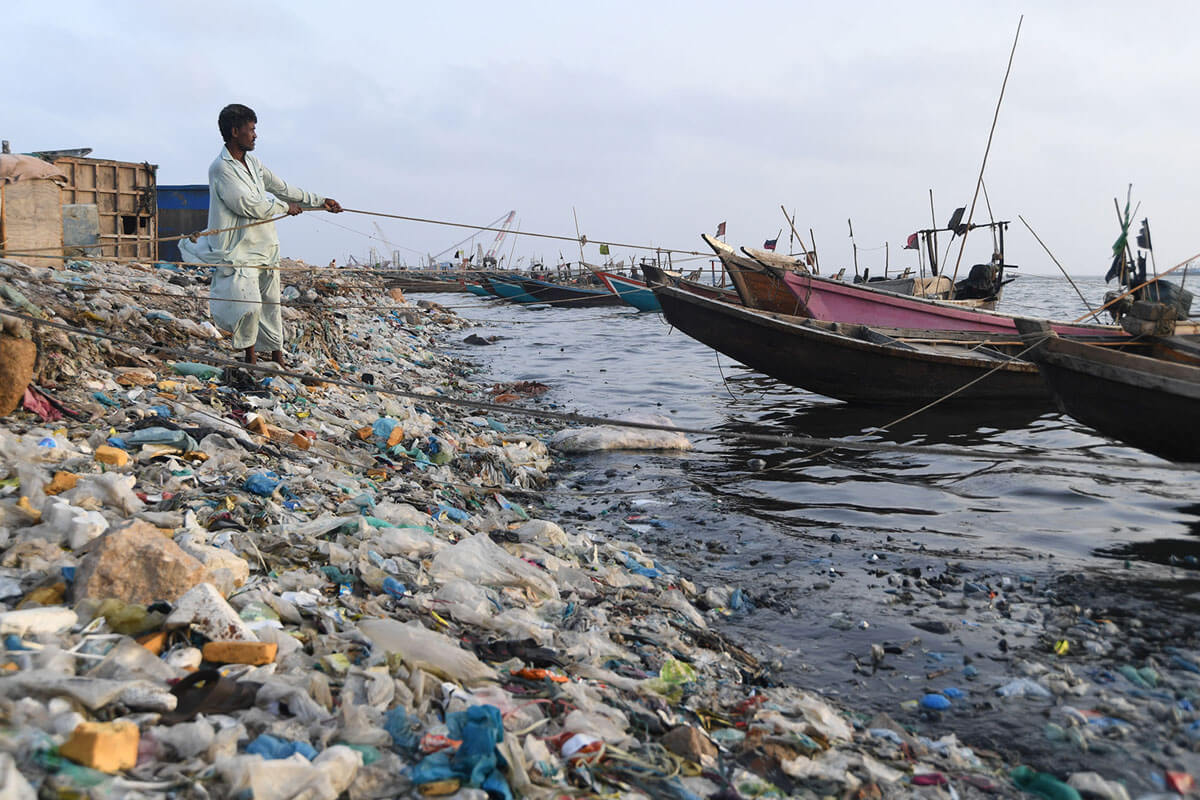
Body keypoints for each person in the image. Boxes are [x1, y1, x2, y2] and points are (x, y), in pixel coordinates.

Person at [180, 103, 342, 365]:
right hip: (240, 249)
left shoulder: (254, 163)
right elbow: (245, 204)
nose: (255, 135)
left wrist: (321, 201)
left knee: (270, 305)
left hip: (266, 245)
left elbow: (284, 189)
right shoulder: (220, 168)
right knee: (249, 305)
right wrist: (283, 208)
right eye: (251, 130)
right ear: (235, 132)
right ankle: (250, 357)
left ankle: (277, 357)